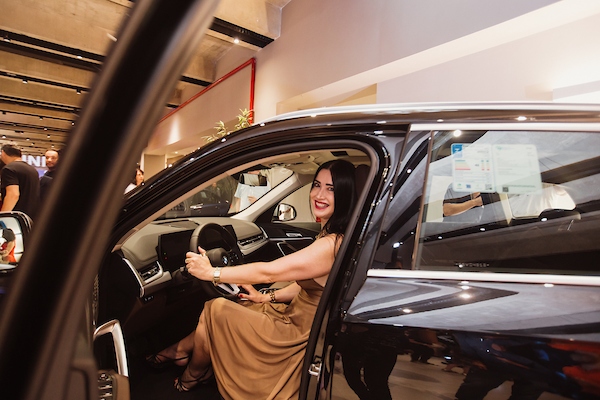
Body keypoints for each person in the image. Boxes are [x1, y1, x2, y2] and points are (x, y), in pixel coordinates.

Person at [147, 159, 357, 398]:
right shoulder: (332, 233)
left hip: (298, 332)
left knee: (215, 309)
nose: (319, 194)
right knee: (235, 306)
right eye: (317, 185)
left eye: (331, 189)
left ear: (345, 194)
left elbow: (270, 272)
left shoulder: (332, 244)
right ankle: (183, 356)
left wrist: (212, 273)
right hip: (299, 316)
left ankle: (190, 371)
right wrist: (265, 296)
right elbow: (310, 287)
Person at [0, 144, 40, 220]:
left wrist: (3, 216)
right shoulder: (32, 169)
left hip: (16, 218)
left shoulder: (8, 169)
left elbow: (13, 195)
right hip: (31, 217)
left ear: (3, 153)